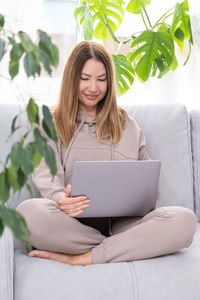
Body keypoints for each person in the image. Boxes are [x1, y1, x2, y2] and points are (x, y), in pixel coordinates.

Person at [16, 41, 197, 266]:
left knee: (185, 220)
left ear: (109, 82)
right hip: (72, 225)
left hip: (124, 225)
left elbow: (145, 182)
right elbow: (47, 177)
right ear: (72, 78)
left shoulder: (127, 125)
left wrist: (140, 201)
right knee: (27, 213)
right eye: (85, 78)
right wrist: (60, 200)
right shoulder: (50, 123)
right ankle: (124, 248)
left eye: (101, 79)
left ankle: (86, 257)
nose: (93, 87)